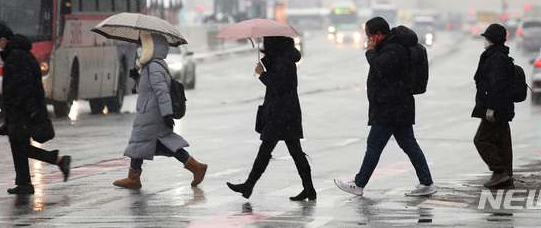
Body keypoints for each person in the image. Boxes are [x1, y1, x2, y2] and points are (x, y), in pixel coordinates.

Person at [334, 17, 437, 197]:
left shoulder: (393, 49)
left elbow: (380, 66)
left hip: (390, 107)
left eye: (369, 36)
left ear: (379, 35)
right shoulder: (393, 46)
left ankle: (358, 183)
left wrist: (370, 51)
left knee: (374, 145)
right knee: (409, 145)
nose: (368, 40)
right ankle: (427, 182)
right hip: (397, 106)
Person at [113, 31, 207, 189]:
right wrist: (137, 77)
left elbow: (161, 91)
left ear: (151, 47)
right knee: (160, 143)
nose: (139, 47)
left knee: (139, 142)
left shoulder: (154, 66)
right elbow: (148, 88)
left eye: (142, 44)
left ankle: (134, 177)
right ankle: (195, 167)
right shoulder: (151, 66)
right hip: (150, 111)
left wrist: (166, 112)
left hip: (152, 114)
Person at [226, 36, 316, 201]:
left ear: (274, 43)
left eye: (267, 41)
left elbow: (277, 85)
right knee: (292, 152)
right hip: (285, 113)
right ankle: (309, 189)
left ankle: (249, 185)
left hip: (282, 114)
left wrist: (262, 74)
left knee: (269, 151)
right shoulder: (282, 58)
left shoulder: (283, 60)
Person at [0, 22, 71, 195]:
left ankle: (58, 160)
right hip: (20, 110)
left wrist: (30, 109)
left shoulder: (16, 56)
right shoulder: (18, 53)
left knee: (20, 146)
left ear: (3, 40)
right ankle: (24, 183)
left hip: (23, 111)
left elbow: (24, 85)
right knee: (18, 144)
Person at [473, 23, 515, 189]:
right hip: (503, 107)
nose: (485, 40)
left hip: (497, 109)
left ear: (492, 39)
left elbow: (495, 86)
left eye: (487, 38)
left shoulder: (495, 58)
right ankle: (506, 176)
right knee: (502, 142)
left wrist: (491, 108)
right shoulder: (500, 56)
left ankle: (500, 171)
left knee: (481, 140)